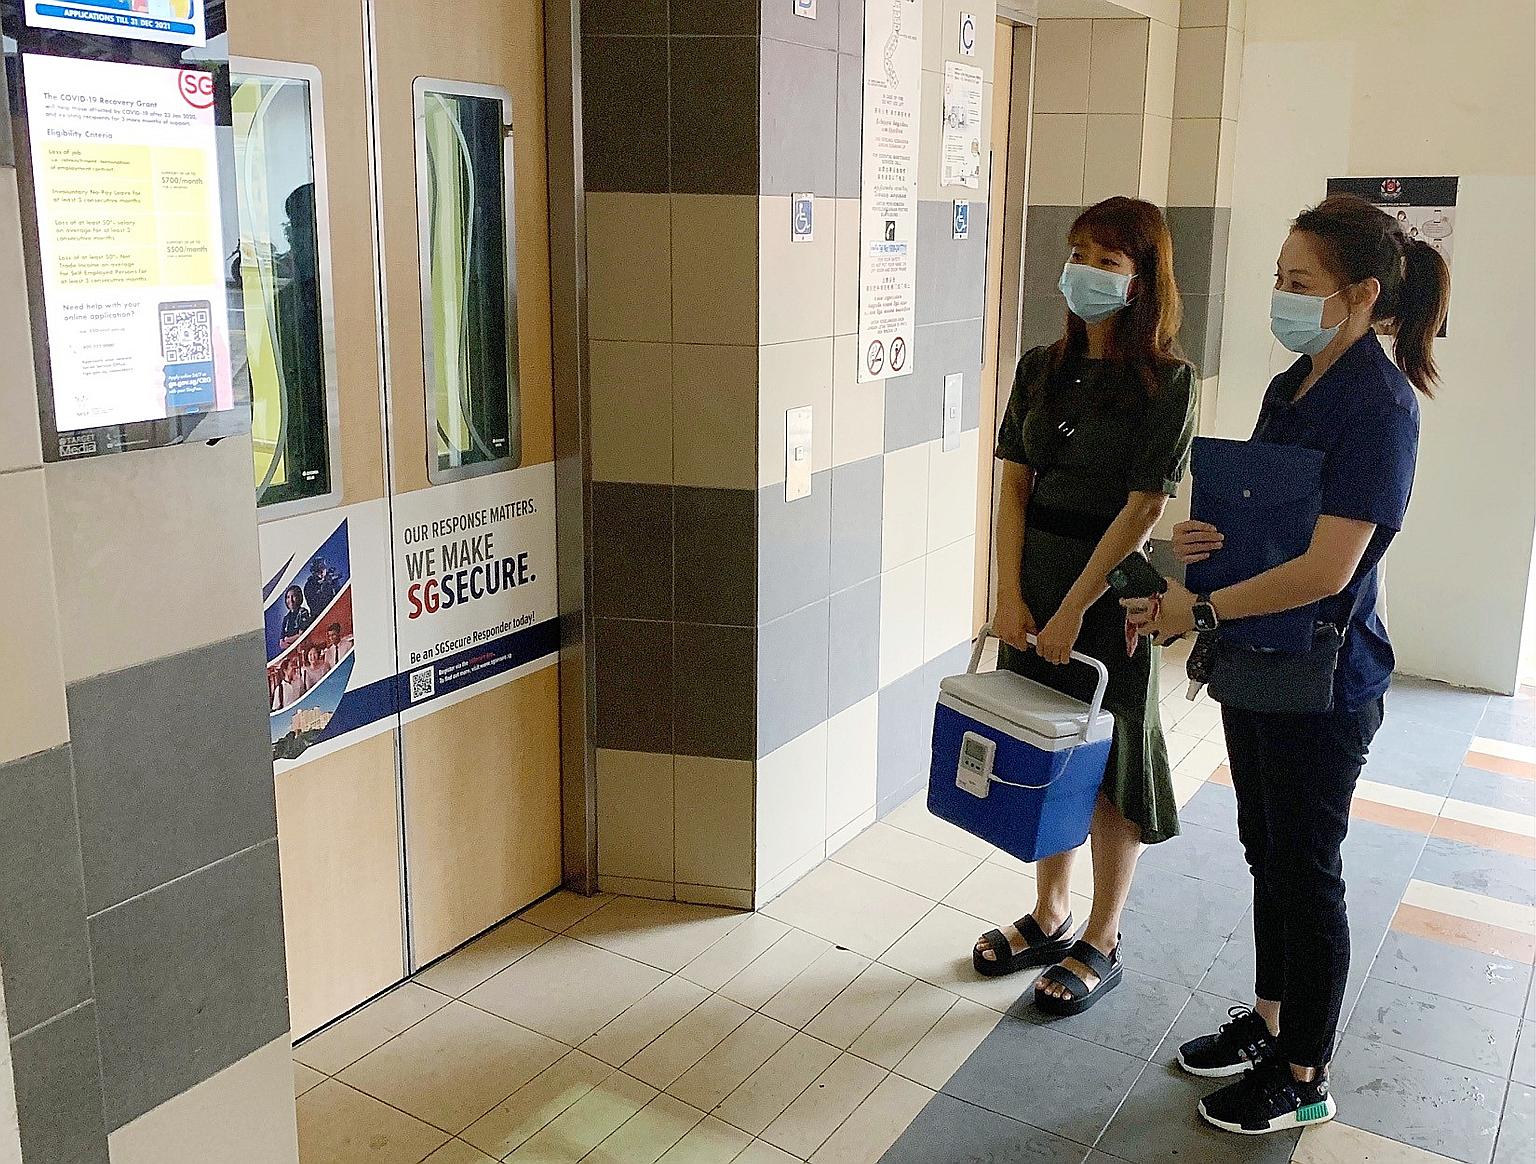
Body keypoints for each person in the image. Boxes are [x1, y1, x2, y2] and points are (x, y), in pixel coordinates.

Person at [1125, 193, 1450, 1135]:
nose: (1282, 295)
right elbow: (1271, 521)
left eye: (1299, 283)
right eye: (1279, 278)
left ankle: (1306, 1072)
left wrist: (1203, 605)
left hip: (1325, 675)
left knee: (1308, 869)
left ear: (1359, 294)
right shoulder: (1293, 384)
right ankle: (1270, 1024)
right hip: (1261, 661)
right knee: (1266, 851)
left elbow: (1326, 566)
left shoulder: (1381, 408)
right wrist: (1206, 540)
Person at [970, 196, 1197, 1015]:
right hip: (1032, 583)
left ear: (1142, 281)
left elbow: (1143, 508)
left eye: (1107, 260)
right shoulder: (1039, 366)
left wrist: (1071, 609)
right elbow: (1014, 485)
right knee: (1043, 748)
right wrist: (1007, 592)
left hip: (1109, 593)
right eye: (1078, 254)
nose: (1084, 273)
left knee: (1110, 761)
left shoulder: (1168, 382)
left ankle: (1103, 935)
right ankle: (1050, 912)